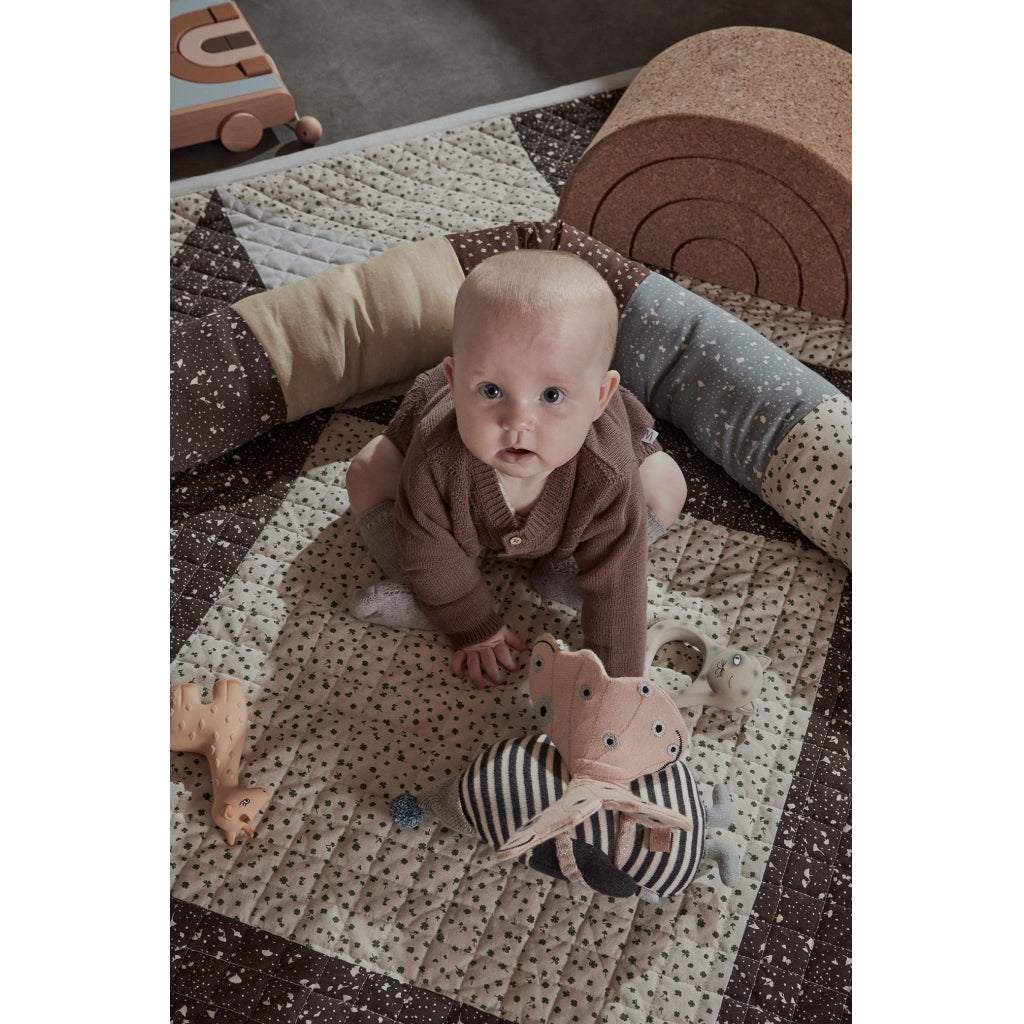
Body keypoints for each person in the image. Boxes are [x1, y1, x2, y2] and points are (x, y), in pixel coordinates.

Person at [345, 249, 688, 688]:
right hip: (443, 535)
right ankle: (421, 591)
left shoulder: (607, 470)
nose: (517, 421)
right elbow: (427, 543)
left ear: (601, 397)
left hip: (577, 531)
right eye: (491, 390)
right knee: (368, 470)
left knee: (665, 485)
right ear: (454, 381)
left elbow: (621, 578)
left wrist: (616, 685)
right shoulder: (436, 457)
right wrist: (470, 623)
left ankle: (566, 571)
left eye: (551, 396)